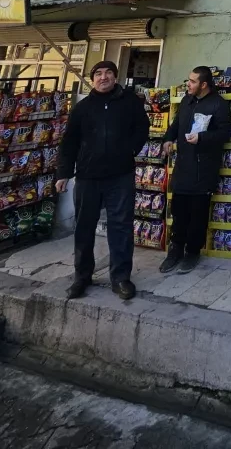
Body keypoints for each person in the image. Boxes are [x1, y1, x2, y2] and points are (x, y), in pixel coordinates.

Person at [56, 60, 150, 301]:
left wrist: (130, 150)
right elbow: (69, 142)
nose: (103, 77)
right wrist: (63, 173)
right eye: (98, 73)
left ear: (115, 77)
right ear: (93, 79)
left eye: (108, 73)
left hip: (120, 176)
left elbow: (142, 128)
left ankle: (120, 278)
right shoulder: (83, 108)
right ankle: (82, 277)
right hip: (88, 177)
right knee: (84, 228)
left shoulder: (130, 102)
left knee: (121, 228)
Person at [159, 66, 231, 274]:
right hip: (183, 166)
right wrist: (168, 139)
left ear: (204, 85)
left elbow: (224, 133)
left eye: (192, 81)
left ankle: (192, 252)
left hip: (203, 169)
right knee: (179, 211)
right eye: (188, 80)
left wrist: (202, 138)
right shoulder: (186, 101)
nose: (188, 84)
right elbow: (176, 124)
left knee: (198, 215)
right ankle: (175, 250)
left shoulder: (218, 105)